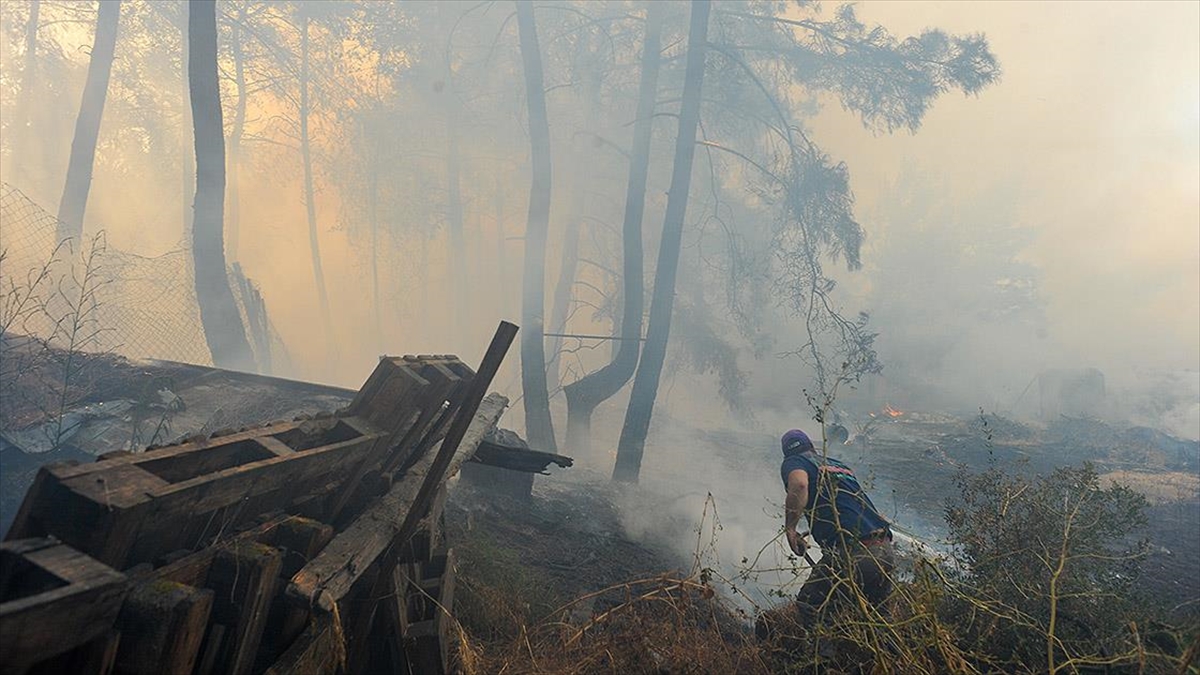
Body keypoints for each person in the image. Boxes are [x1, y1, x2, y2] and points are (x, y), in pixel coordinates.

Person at [779, 428, 895, 612]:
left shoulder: (795, 461)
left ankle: (822, 642)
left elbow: (800, 484)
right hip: (884, 548)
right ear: (812, 447)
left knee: (809, 604)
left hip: (854, 552)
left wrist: (791, 529)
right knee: (875, 614)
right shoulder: (839, 466)